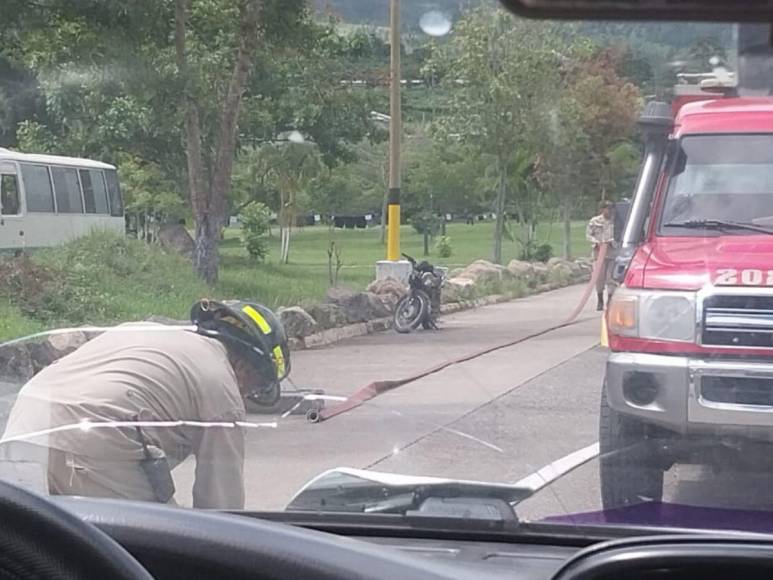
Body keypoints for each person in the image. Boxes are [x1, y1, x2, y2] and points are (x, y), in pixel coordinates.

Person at [0, 300, 290, 509]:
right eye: (257, 386)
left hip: (25, 421)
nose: (248, 395)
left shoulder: (148, 332)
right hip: (92, 435)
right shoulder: (222, 387)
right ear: (248, 368)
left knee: (43, 548)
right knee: (154, 545)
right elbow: (221, 505)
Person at [586, 201, 616, 311]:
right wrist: (596, 242)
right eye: (607, 208)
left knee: (611, 278)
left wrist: (612, 242)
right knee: (599, 278)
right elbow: (589, 235)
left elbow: (620, 234)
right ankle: (600, 300)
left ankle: (610, 300)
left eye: (611, 208)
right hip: (598, 254)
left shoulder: (616, 221)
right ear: (602, 209)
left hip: (612, 253)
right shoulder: (595, 221)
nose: (609, 211)